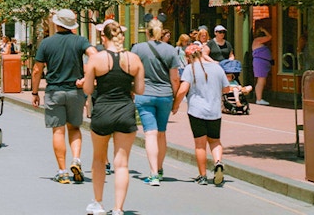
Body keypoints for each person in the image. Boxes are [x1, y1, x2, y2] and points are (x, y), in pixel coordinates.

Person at [84, 21, 144, 215]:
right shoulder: (134, 59)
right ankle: (118, 208)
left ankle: (98, 203)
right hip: (125, 111)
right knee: (122, 164)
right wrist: (128, 86)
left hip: (102, 110)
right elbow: (140, 89)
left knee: (99, 160)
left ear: (104, 37)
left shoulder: (96, 59)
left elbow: (88, 89)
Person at [32, 8, 98, 185]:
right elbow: (95, 55)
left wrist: (35, 92)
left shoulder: (47, 43)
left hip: (54, 91)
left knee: (58, 130)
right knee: (75, 128)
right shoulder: (80, 41)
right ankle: (76, 160)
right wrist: (86, 78)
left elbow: (37, 70)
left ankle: (62, 172)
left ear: (56, 23)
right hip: (75, 91)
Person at [130, 18, 180, 186]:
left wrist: (132, 91)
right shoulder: (171, 50)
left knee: (150, 134)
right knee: (161, 133)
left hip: (144, 94)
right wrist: (176, 100)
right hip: (165, 95)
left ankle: (153, 174)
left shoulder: (138, 49)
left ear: (147, 31)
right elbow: (175, 79)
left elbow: (132, 72)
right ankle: (159, 168)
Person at [173, 43, 231, 186]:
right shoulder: (217, 68)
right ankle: (218, 162)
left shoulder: (190, 69)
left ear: (189, 57)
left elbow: (182, 90)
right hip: (214, 111)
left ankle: (203, 175)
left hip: (196, 111)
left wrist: (175, 105)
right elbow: (227, 89)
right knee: (215, 141)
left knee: (200, 144)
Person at [251, 27, 273, 105]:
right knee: (261, 80)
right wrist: (264, 30)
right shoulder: (258, 40)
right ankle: (259, 99)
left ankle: (259, 97)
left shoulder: (258, 41)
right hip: (260, 62)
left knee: (262, 81)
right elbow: (270, 37)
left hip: (263, 62)